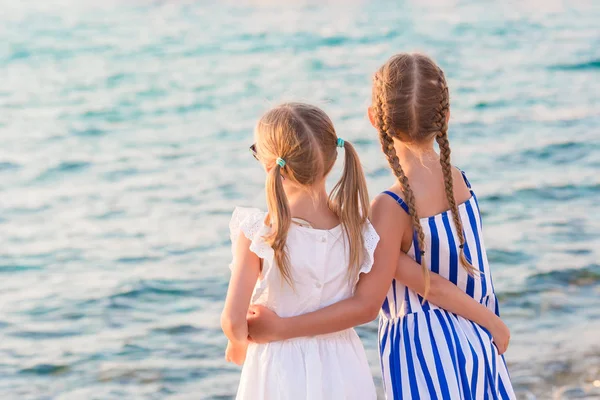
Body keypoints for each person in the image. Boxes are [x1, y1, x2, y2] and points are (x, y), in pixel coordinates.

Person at [246, 53, 516, 399]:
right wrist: (489, 322)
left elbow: (397, 295)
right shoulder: (459, 181)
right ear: (445, 116)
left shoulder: (391, 207)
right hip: (477, 342)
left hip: (427, 355)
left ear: (374, 118)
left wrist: (283, 329)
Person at [221, 103, 378, 399]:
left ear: (271, 166)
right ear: (332, 160)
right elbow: (363, 307)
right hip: (343, 369)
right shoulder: (356, 230)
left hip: (278, 369)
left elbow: (232, 320)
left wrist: (237, 342)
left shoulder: (260, 232)